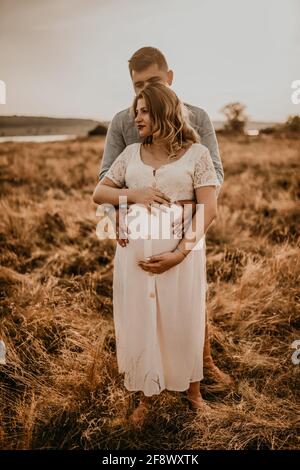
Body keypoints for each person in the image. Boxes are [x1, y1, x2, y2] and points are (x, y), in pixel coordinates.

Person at [98, 46, 233, 393]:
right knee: (143, 300)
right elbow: (107, 178)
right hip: (138, 228)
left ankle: (200, 364)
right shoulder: (122, 122)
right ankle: (150, 378)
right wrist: (118, 213)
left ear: (170, 78)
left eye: (154, 81)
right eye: (137, 86)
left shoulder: (199, 118)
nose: (144, 92)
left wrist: (184, 208)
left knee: (189, 296)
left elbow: (212, 172)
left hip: (184, 224)